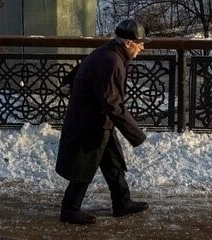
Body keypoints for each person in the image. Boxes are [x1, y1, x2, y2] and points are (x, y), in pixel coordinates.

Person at [55, 19, 150, 225]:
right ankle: (69, 209)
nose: (142, 47)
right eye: (139, 43)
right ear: (127, 43)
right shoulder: (112, 61)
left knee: (113, 162)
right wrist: (136, 134)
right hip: (89, 122)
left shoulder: (110, 52)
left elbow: (84, 70)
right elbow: (113, 103)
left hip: (98, 119)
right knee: (84, 166)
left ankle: (122, 202)